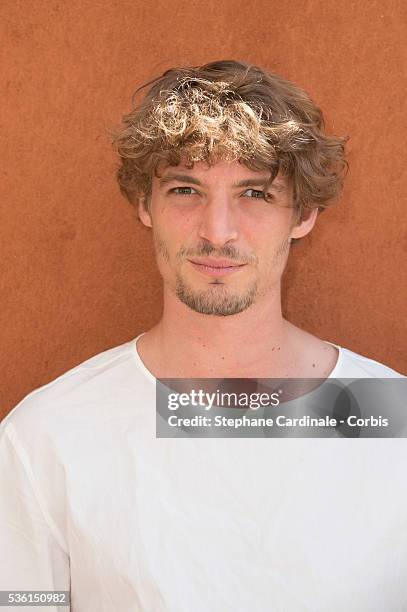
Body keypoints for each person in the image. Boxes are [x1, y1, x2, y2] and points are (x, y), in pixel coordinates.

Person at [0, 60, 405, 611]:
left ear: (305, 213)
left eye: (255, 194)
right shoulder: (47, 436)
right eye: (186, 189)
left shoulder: (391, 419)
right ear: (145, 205)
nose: (218, 231)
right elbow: (22, 602)